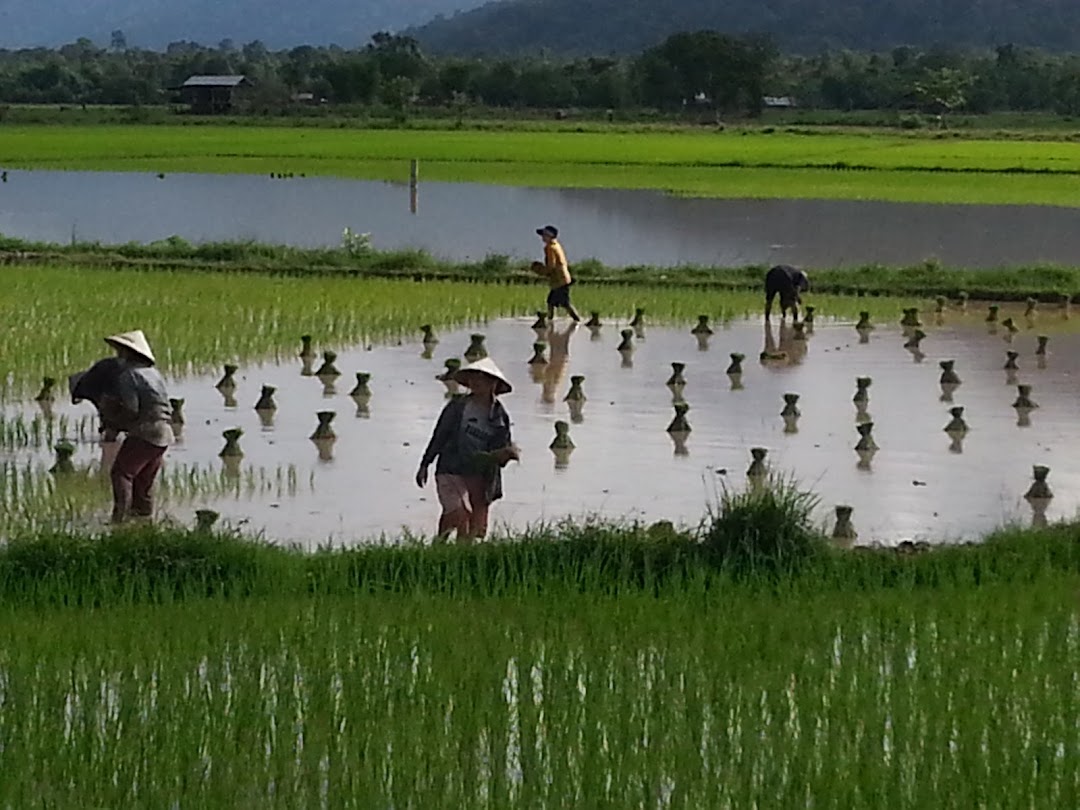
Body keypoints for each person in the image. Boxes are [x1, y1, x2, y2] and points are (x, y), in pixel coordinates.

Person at [416, 358, 519, 543]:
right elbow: (439, 436)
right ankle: (440, 543)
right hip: (451, 467)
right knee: (458, 512)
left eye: (483, 379)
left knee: (474, 527)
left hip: (478, 473)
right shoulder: (457, 408)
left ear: (493, 384)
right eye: (474, 378)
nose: (477, 382)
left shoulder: (499, 416)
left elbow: (501, 453)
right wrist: (425, 464)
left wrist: (506, 455)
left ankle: (459, 554)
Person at [94, 330, 174, 524]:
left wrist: (113, 420)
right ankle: (143, 522)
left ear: (129, 353)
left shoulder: (129, 376)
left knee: (122, 473)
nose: (118, 356)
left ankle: (118, 520)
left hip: (145, 431)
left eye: (120, 352)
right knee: (143, 482)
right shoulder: (153, 373)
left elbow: (131, 409)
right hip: (164, 433)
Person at [533, 224, 581, 323]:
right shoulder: (556, 245)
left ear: (549, 236)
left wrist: (543, 271)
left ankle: (577, 320)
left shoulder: (550, 248)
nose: (542, 237)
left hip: (559, 280)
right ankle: (549, 321)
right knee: (552, 302)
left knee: (563, 303)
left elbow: (551, 265)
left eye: (544, 235)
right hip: (562, 278)